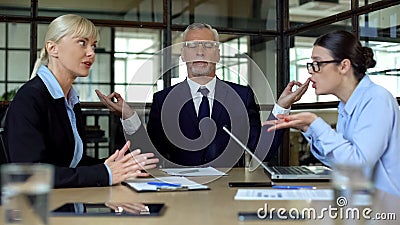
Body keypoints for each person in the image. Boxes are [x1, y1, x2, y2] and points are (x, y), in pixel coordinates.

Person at [96, 23, 309, 167]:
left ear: (217, 54)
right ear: (183, 55)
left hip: (228, 192)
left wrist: (281, 107)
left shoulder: (241, 96)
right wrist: (128, 116)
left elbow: (262, 150)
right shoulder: (164, 99)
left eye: (208, 46)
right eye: (191, 46)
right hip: (180, 192)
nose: (200, 52)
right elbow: (151, 154)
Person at [5, 14, 159, 188]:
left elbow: (71, 164)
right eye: (82, 43)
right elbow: (30, 174)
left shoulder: (69, 99)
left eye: (93, 45)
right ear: (52, 48)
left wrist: (120, 167)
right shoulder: (30, 99)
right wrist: (105, 173)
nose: (91, 53)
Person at [264, 30, 400, 196]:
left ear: (343, 66)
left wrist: (316, 123)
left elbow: (358, 166)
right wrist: (309, 129)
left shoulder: (376, 99)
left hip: (384, 209)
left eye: (318, 63)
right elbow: (340, 162)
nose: (311, 71)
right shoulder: (346, 105)